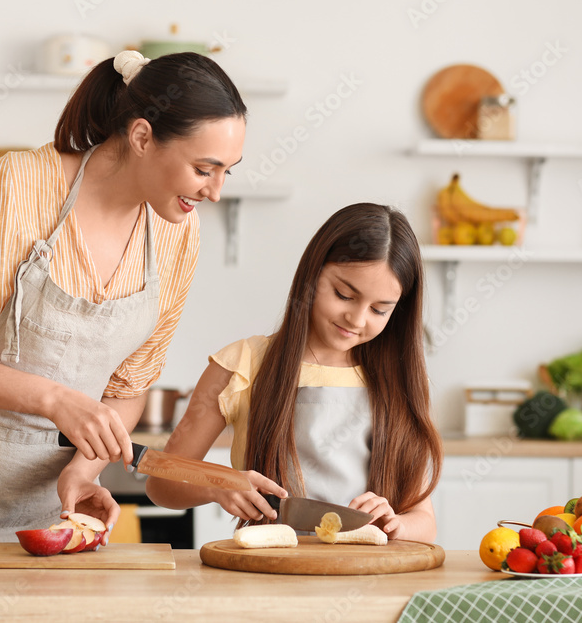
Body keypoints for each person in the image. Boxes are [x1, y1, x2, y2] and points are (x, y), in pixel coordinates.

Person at [0, 50, 247, 544]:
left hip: (44, 515)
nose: (215, 192)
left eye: (227, 172)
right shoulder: (18, 187)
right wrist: (53, 399)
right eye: (204, 169)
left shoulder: (178, 234)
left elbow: (126, 389)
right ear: (141, 137)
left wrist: (83, 471)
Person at [145, 203, 443, 542]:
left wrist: (396, 524)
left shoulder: (398, 384)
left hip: (366, 581)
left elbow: (425, 522)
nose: (357, 320)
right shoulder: (241, 364)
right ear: (313, 273)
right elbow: (162, 481)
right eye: (344, 295)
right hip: (268, 580)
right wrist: (220, 485)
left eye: (379, 309)